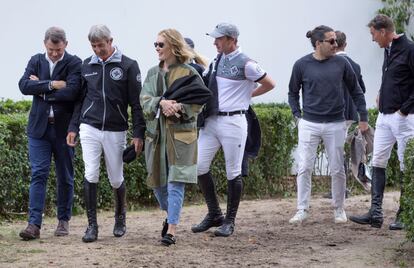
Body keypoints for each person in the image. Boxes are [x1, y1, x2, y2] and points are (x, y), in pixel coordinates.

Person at [191, 23, 275, 237]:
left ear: (231, 39)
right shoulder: (217, 59)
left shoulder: (246, 63)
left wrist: (247, 97)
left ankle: (229, 221)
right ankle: (214, 213)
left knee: (233, 171)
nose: (214, 42)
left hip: (233, 122)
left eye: (219, 39)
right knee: (199, 165)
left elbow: (270, 83)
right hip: (211, 121)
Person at [67, 24, 145, 242]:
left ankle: (120, 218)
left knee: (115, 178)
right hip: (89, 127)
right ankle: (92, 226)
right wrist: (74, 127)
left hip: (115, 129)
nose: (97, 50)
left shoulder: (128, 65)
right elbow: (80, 101)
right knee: (90, 173)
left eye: (100, 45)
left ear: (110, 41)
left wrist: (138, 133)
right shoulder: (86, 65)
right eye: (93, 46)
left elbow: (136, 104)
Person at [288, 25, 368, 225]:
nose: (335, 44)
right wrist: (297, 115)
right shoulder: (301, 64)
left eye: (336, 41)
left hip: (335, 124)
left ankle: (339, 209)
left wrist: (363, 117)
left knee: (337, 169)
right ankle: (302, 209)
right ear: (318, 43)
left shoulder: (342, 63)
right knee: (305, 167)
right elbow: (292, 92)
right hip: (309, 123)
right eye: (331, 41)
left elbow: (357, 91)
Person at [140, 29, 211, 246]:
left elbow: (199, 102)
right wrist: (160, 103)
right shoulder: (152, 73)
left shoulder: (189, 73)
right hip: (156, 138)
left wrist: (179, 107)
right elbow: (144, 100)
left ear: (173, 46)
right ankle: (170, 214)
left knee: (175, 183)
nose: (157, 49)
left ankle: (171, 230)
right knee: (159, 187)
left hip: (181, 139)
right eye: (155, 44)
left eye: (161, 45)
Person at [349, 14, 414, 230]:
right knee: (377, 161)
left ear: (383, 31)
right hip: (385, 116)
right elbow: (396, 79)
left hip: (404, 118)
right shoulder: (388, 50)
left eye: (373, 34)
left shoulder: (410, 49)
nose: (372, 38)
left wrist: (404, 110)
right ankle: (375, 214)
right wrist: (381, 93)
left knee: (407, 164)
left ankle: (405, 215)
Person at [18, 27, 82, 240]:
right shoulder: (35, 60)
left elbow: (73, 91)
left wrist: (42, 90)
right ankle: (33, 225)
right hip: (38, 130)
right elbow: (24, 86)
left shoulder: (74, 63)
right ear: (45, 44)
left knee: (65, 176)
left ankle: (63, 221)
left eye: (58, 49)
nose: (54, 53)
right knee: (39, 174)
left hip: (64, 130)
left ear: (66, 44)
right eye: (51, 49)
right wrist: (53, 85)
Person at [323, 30, 368, 199]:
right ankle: (341, 187)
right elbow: (361, 89)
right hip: (350, 112)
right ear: (346, 44)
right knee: (338, 149)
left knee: (336, 150)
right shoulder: (354, 64)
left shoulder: (330, 63)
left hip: (335, 112)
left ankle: (341, 189)